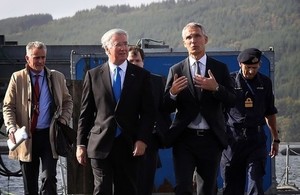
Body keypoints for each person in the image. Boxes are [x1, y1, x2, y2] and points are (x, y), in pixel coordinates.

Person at [76, 29, 155, 195]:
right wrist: (81, 144)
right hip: (100, 143)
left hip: (129, 145)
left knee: (127, 190)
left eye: (125, 43)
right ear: (106, 49)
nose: (124, 48)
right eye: (118, 44)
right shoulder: (93, 75)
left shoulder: (142, 76)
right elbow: (85, 113)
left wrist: (142, 139)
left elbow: (148, 113)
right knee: (102, 189)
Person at [163, 22, 236, 195]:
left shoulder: (219, 68)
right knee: (183, 187)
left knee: (207, 189)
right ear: (184, 42)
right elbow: (165, 106)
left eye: (197, 36)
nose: (193, 40)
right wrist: (172, 93)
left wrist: (216, 88)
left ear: (205, 39)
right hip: (184, 138)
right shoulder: (176, 70)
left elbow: (232, 100)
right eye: (189, 37)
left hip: (211, 139)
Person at [2, 41, 73, 195]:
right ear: (27, 58)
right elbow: (8, 106)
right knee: (30, 183)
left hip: (49, 136)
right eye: (36, 58)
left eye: (43, 57)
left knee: (49, 179)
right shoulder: (17, 78)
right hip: (27, 137)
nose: (40, 61)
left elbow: (68, 101)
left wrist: (63, 119)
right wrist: (11, 127)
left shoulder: (57, 77)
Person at [220, 48, 279, 195]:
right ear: (240, 64)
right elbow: (219, 112)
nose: (251, 71)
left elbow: (270, 112)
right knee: (232, 186)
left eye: (255, 67)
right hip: (233, 141)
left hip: (256, 140)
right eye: (248, 67)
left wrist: (275, 139)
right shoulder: (229, 81)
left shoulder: (265, 83)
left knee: (256, 183)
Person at [128, 45, 171, 195]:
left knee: (146, 184)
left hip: (150, 142)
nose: (134, 63)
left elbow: (163, 110)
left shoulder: (156, 81)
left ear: (143, 61)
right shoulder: (119, 81)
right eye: (131, 60)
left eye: (137, 60)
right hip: (126, 141)